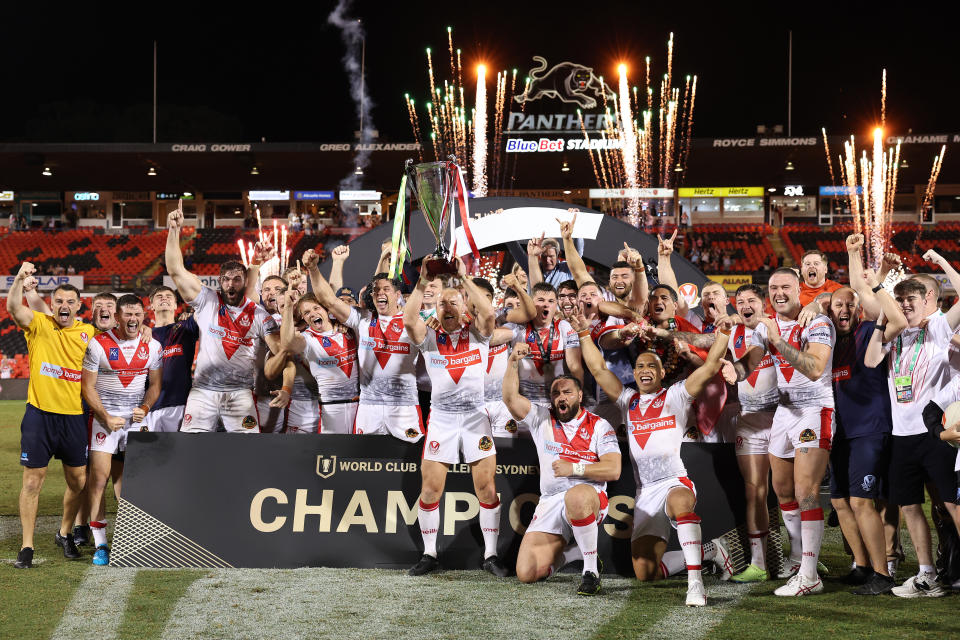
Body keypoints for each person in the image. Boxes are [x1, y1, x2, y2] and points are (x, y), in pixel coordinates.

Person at [574, 303, 732, 607]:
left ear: (661, 373)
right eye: (641, 366)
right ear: (634, 373)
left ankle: (695, 585)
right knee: (646, 572)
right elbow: (597, 369)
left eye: (651, 366)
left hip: (674, 480)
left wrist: (723, 332)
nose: (645, 370)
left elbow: (711, 366)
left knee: (681, 504)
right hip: (645, 491)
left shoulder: (676, 394)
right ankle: (710, 551)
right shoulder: (627, 400)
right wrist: (583, 332)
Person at [403, 256, 514, 577]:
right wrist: (423, 281)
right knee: (429, 491)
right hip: (442, 420)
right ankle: (429, 554)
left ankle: (491, 556)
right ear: (435, 310)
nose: (448, 308)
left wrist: (464, 279)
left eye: (454, 303)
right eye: (442, 305)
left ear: (465, 307)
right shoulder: (429, 338)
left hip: (475, 419)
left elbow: (490, 313)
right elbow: (410, 320)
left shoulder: (478, 334)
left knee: (487, 490)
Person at [732, 267, 836, 596]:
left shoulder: (816, 322)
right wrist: (729, 369)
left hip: (814, 410)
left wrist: (779, 341)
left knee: (806, 491)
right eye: (774, 287)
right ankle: (797, 561)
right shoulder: (768, 327)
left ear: (798, 289)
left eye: (786, 287)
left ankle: (809, 576)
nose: (779, 292)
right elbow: (749, 364)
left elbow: (815, 366)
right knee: (783, 491)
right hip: (784, 412)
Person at [865, 250, 960, 597]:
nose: (904, 305)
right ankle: (926, 574)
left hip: (936, 433)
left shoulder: (937, 327)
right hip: (902, 434)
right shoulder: (895, 334)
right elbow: (872, 359)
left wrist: (941, 264)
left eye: (910, 299)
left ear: (927, 300)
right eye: (900, 299)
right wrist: (883, 323)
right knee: (909, 505)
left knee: (952, 504)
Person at [823, 234, 907, 595]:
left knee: (862, 500)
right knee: (840, 501)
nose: (843, 309)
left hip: (869, 431)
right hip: (839, 433)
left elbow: (889, 314)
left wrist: (857, 258)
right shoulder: (828, 343)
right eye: (836, 305)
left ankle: (883, 573)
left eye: (849, 305)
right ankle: (860, 565)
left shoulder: (869, 332)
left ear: (859, 310)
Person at [504, 343, 621, 596]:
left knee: (576, 495)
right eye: (556, 393)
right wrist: (513, 361)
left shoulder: (600, 426)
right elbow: (511, 399)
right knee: (527, 573)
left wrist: (574, 469)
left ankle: (590, 572)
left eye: (567, 392)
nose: (560, 397)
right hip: (550, 502)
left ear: (579, 396)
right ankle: (575, 554)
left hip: (589, 498)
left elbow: (613, 470)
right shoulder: (541, 418)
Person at [165, 199, 282, 432]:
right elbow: (175, 270)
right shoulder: (207, 300)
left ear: (245, 281)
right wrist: (174, 229)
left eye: (237, 279)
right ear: (219, 281)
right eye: (226, 279)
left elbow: (280, 349)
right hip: (203, 392)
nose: (231, 284)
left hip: (240, 394)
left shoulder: (259, 315)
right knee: (192, 450)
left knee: (247, 452)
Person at [7, 263, 95, 569]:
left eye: (71, 301)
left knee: (79, 481)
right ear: (52, 303)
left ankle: (64, 531)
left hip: (73, 417)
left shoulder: (88, 332)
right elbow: (14, 310)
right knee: (33, 481)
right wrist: (19, 280)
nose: (64, 306)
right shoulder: (39, 325)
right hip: (39, 416)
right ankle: (27, 546)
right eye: (59, 301)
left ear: (80, 305)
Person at [304, 248, 424, 441]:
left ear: (398, 295)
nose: (379, 293)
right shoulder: (362, 319)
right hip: (369, 408)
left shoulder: (412, 322)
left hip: (404, 406)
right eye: (376, 290)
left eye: (386, 289)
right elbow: (329, 300)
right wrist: (313, 269)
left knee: (410, 462)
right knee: (364, 462)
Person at [80, 294, 163, 566]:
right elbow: (87, 387)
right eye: (127, 314)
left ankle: (136, 538)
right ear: (117, 317)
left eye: (137, 314)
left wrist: (147, 408)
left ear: (144, 315)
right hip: (105, 421)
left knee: (135, 481)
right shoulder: (98, 344)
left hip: (137, 419)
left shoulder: (153, 346)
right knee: (99, 479)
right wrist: (104, 416)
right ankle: (101, 544)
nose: (132, 319)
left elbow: (154, 386)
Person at [279, 292, 359, 433]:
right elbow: (287, 344)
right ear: (303, 317)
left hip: (359, 407)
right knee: (334, 453)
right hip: (331, 409)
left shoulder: (349, 329)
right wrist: (288, 308)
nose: (312, 314)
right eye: (307, 312)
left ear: (326, 309)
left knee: (359, 454)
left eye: (316, 308)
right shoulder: (307, 338)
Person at [509, 282, 583, 407]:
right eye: (541, 300)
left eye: (551, 301)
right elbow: (491, 336)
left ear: (556, 306)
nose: (546, 304)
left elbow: (575, 367)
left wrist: (576, 401)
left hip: (556, 402)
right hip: (525, 403)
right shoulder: (518, 327)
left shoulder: (565, 328)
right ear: (531, 304)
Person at [145, 286, 200, 432]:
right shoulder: (142, 336)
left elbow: (204, 309)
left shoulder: (185, 327)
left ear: (176, 305)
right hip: (149, 407)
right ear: (152, 305)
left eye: (169, 296)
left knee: (181, 453)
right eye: (159, 296)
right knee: (150, 454)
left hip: (180, 404)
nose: (164, 298)